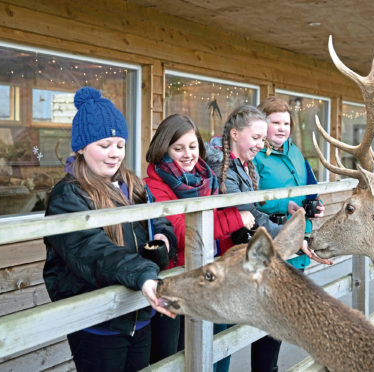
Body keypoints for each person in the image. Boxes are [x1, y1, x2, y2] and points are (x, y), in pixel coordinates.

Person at [43, 87, 178, 372]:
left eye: (120, 144)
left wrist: (163, 239)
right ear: (80, 147)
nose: (114, 153)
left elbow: (161, 221)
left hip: (138, 313)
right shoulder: (68, 195)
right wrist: (143, 273)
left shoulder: (134, 185)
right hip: (97, 322)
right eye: (104, 145)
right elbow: (92, 251)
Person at [144, 114, 255, 366]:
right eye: (178, 148)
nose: (187, 154)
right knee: (185, 358)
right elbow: (183, 233)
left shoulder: (208, 179)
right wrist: (236, 218)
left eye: (192, 147)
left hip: (214, 278)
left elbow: (218, 230)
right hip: (179, 282)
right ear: (164, 148)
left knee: (220, 350)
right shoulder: (155, 186)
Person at [252, 96, 333, 372]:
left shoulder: (295, 152)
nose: (282, 128)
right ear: (262, 124)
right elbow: (250, 200)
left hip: (299, 245)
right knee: (270, 318)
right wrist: (282, 205)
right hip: (273, 241)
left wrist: (316, 205)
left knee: (284, 317)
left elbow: (310, 187)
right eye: (275, 122)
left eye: (285, 123)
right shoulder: (256, 156)